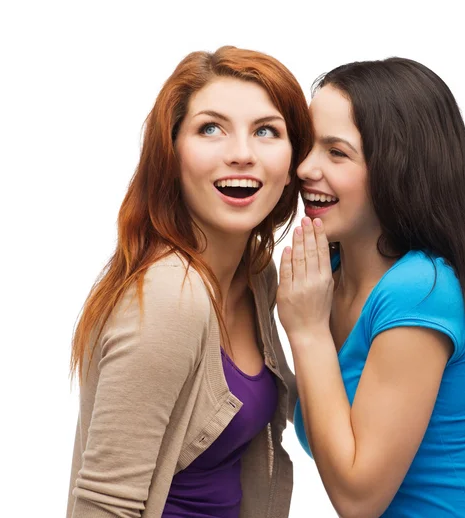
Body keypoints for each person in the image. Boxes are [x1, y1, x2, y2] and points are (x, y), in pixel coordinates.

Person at [277, 57, 465, 517]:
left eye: (337, 153)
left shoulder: (421, 288)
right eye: (307, 146)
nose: (305, 168)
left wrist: (308, 332)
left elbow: (359, 498)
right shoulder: (324, 279)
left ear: (399, 169)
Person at [66, 45, 312, 518]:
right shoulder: (169, 297)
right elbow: (102, 505)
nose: (241, 154)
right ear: (171, 153)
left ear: (291, 166)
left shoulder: (257, 272)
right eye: (210, 128)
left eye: (266, 131)